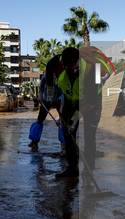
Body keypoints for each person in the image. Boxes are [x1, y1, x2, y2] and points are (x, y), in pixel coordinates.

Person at [48, 47, 114, 177]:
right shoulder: (54, 64)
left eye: (77, 68)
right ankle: (72, 167)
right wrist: (52, 99)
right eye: (70, 69)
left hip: (91, 101)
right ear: (64, 64)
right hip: (71, 98)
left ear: (79, 61)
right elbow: (50, 84)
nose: (74, 72)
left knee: (89, 133)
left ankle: (88, 171)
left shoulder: (92, 70)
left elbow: (90, 102)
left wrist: (75, 118)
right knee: (67, 132)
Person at [28, 71, 64, 149]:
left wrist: (61, 115)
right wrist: (40, 96)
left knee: (63, 120)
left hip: (59, 99)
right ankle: (34, 141)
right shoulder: (46, 76)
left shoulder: (64, 79)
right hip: (46, 99)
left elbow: (63, 99)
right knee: (40, 119)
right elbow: (41, 87)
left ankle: (64, 146)